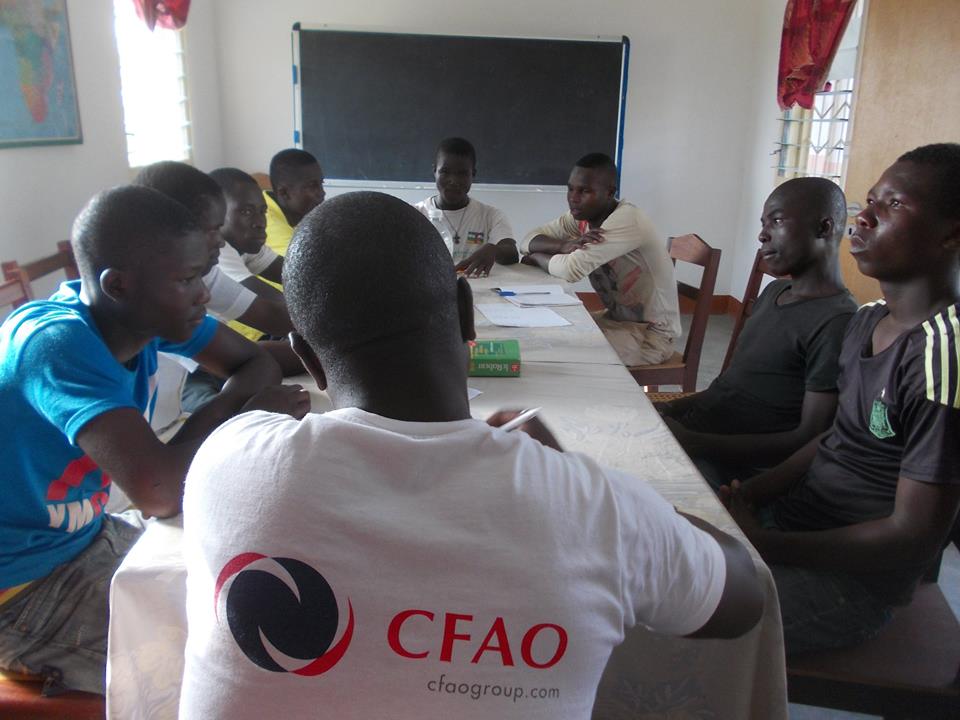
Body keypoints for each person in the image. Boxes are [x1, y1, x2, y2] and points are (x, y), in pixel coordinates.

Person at [178, 191, 762, 719]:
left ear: (306, 358)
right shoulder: (592, 510)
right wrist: (577, 478)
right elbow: (742, 596)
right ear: (466, 312)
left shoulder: (228, 458)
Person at [0, 186, 310, 696]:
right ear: (118, 285)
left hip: (86, 536)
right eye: (187, 280)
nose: (203, 294)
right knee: (228, 668)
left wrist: (201, 433)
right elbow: (160, 494)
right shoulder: (56, 345)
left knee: (246, 590)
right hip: (21, 590)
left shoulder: (142, 316)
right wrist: (242, 418)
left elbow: (255, 362)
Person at [723, 143, 960, 655]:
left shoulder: (943, 355)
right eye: (870, 200)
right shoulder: (868, 321)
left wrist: (766, 544)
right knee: (644, 551)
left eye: (893, 205)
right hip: (795, 524)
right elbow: (837, 436)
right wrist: (750, 493)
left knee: (666, 617)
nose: (865, 217)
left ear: (951, 234)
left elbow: (912, 535)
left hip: (851, 582)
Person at [660, 177, 858, 486]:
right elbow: (727, 388)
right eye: (763, 223)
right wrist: (671, 406)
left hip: (735, 464)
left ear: (823, 228)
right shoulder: (774, 292)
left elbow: (808, 437)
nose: (762, 235)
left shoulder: (835, 321)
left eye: (776, 221)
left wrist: (693, 443)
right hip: (702, 430)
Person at [520, 153, 681, 366]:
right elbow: (527, 240)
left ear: (610, 192)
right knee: (541, 334)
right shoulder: (582, 217)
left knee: (558, 354)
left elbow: (571, 270)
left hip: (651, 337)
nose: (573, 198)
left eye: (585, 191)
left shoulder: (627, 220)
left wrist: (536, 257)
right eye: (570, 189)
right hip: (615, 321)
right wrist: (561, 246)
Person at [414, 137, 518, 277]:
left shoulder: (490, 215)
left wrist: (494, 250)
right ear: (435, 171)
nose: (453, 181)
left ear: (473, 174)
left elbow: (511, 253)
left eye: (462, 173)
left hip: (480, 289)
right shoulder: (415, 214)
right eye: (445, 172)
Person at [209, 167, 284, 342]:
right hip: (195, 352)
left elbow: (299, 275)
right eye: (246, 212)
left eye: (262, 211)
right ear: (215, 213)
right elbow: (275, 312)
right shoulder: (219, 253)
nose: (260, 222)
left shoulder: (246, 244)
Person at [264, 148, 325, 258]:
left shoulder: (296, 211)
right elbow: (310, 261)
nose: (322, 193)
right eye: (312, 186)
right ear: (284, 193)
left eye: (321, 183)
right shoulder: (268, 224)